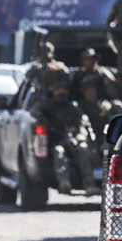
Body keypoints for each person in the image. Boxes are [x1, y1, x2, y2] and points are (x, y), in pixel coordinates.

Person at [29, 68, 101, 196]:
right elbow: (34, 111)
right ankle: (64, 182)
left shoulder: (72, 106)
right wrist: (44, 120)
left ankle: (89, 185)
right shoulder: (48, 104)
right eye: (58, 90)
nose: (61, 92)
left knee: (84, 151)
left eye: (64, 90)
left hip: (73, 140)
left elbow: (82, 122)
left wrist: (78, 138)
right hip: (57, 139)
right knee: (59, 153)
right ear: (54, 91)